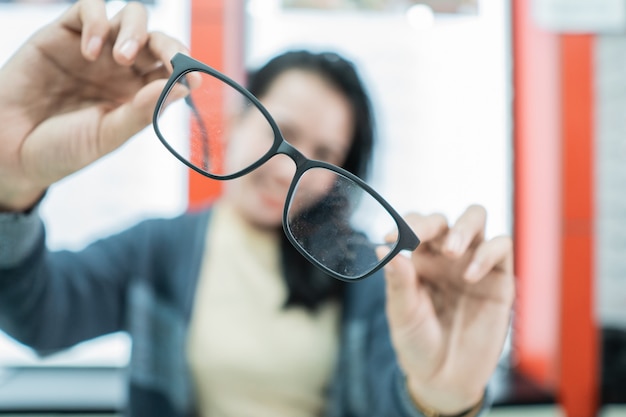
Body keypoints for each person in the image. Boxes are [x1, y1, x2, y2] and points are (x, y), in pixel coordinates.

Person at [0, 1, 515, 416]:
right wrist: (11, 187)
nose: (288, 169)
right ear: (238, 117)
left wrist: (442, 401)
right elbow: (39, 317)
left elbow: (391, 398)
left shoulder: (365, 269)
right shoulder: (158, 250)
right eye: (283, 133)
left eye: (325, 155)